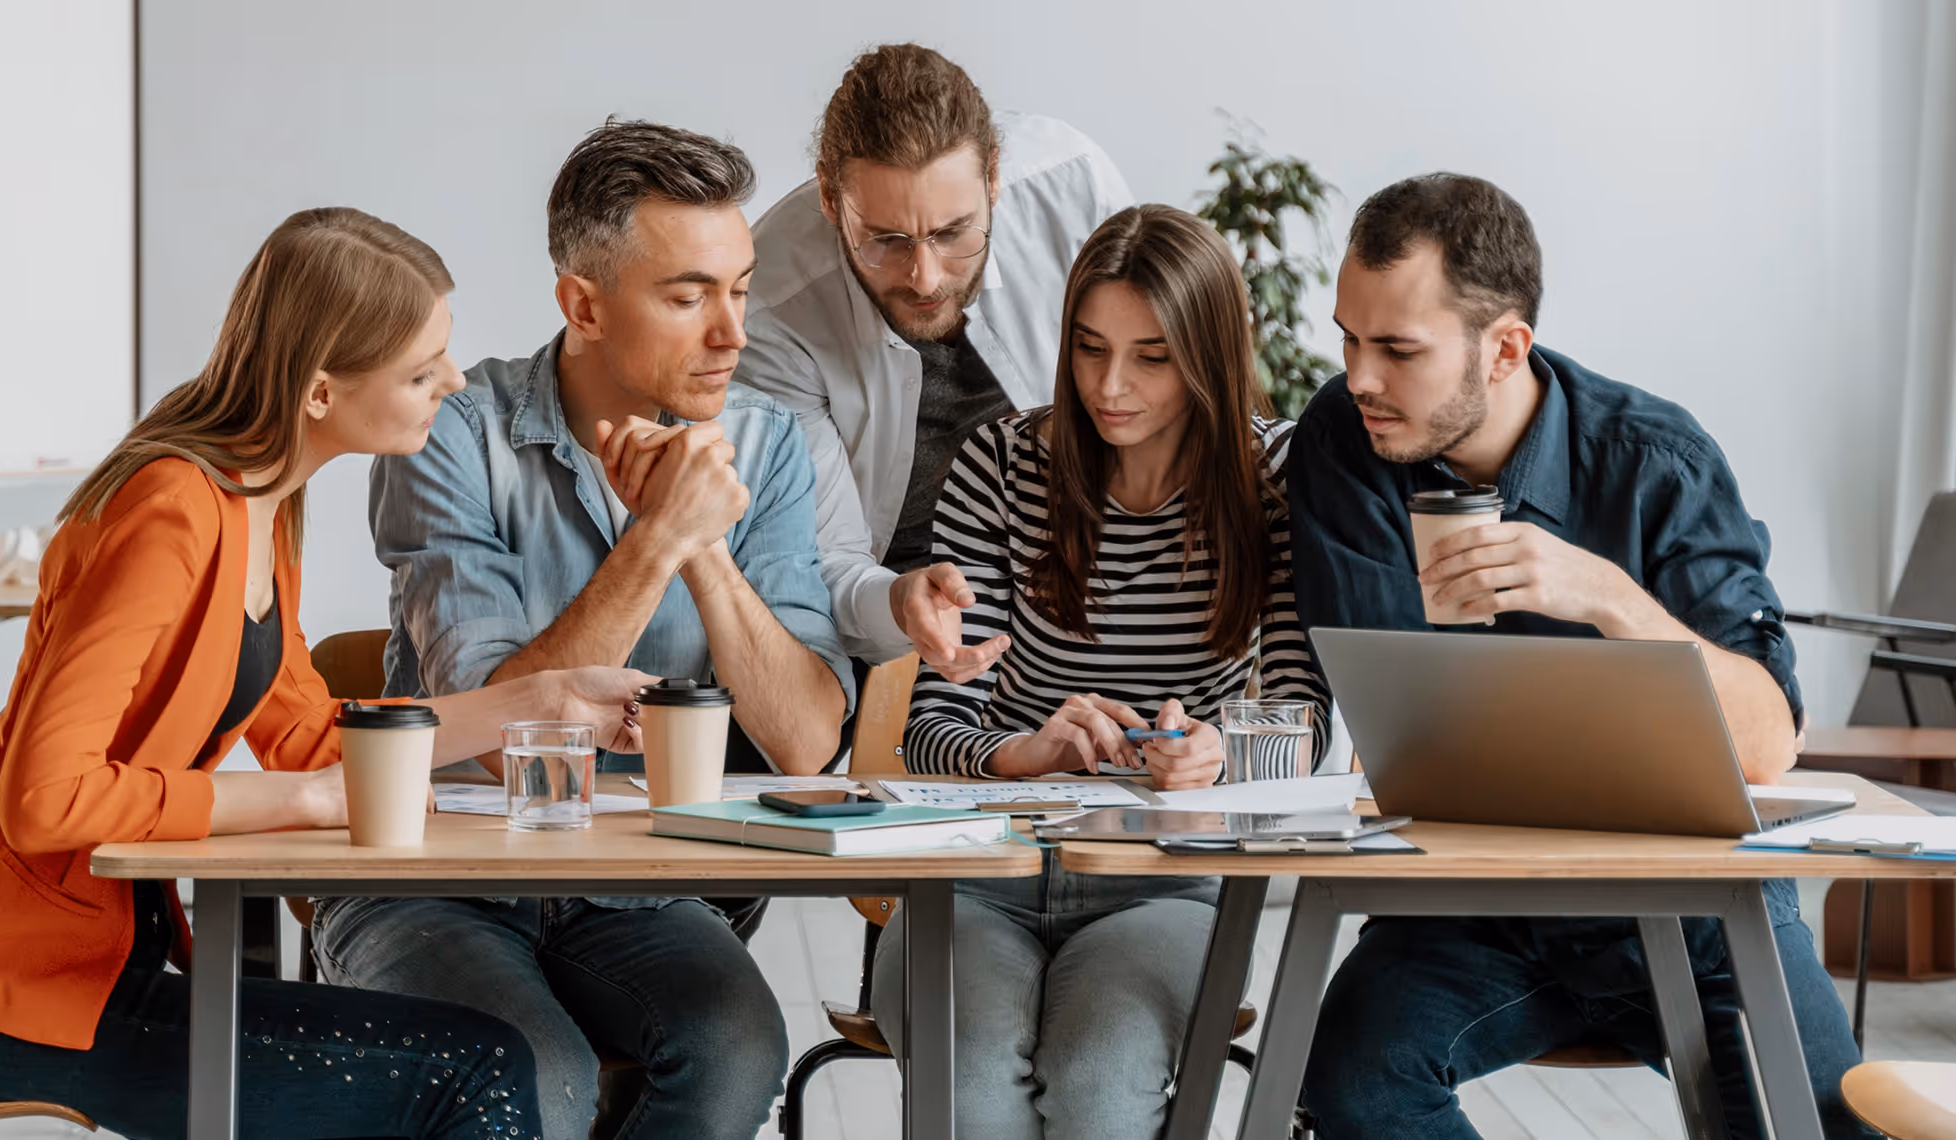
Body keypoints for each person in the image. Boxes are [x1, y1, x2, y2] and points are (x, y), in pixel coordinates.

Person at [0, 207, 653, 1140]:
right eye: (419, 367)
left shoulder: (254, 510)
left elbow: (315, 738)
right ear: (321, 390)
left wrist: (540, 700)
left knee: (481, 1060)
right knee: (474, 1071)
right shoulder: (173, 513)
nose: (452, 378)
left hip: (94, 976)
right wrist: (306, 804)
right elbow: (46, 797)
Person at [1287, 173, 1869, 1139]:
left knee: (1834, 1123)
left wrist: (1603, 595)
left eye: (1397, 349)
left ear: (1505, 346)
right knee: (1354, 1081)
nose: (1360, 377)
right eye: (1349, 337)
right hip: (1472, 910)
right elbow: (1392, 706)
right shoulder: (1345, 444)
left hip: (1693, 907)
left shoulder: (1658, 463)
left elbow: (1768, 740)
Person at [314, 121, 849, 1140]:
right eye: (689, 297)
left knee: (735, 1048)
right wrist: (655, 541)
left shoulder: (770, 444)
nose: (733, 332)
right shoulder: (454, 429)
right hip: (432, 874)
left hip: (635, 885)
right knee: (536, 1072)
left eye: (740, 288)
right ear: (583, 304)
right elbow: (492, 728)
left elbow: (806, 740)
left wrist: (705, 545)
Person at [871, 204, 1329, 1139]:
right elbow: (932, 726)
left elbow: (1301, 721)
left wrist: (1219, 752)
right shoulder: (1002, 465)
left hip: (1172, 879)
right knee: (966, 1090)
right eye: (1088, 349)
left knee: (1098, 1081)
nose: (1110, 386)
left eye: (1151, 357)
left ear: (1208, 353)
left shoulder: (1274, 475)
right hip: (978, 867)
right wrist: (1022, 755)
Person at [738, 42, 1133, 681]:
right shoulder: (771, 301)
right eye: (886, 241)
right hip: (883, 617)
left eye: (953, 232)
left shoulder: (1076, 188)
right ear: (831, 200)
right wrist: (896, 600)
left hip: (1085, 580)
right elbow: (819, 556)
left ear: (994, 177)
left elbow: (1158, 405)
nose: (925, 278)